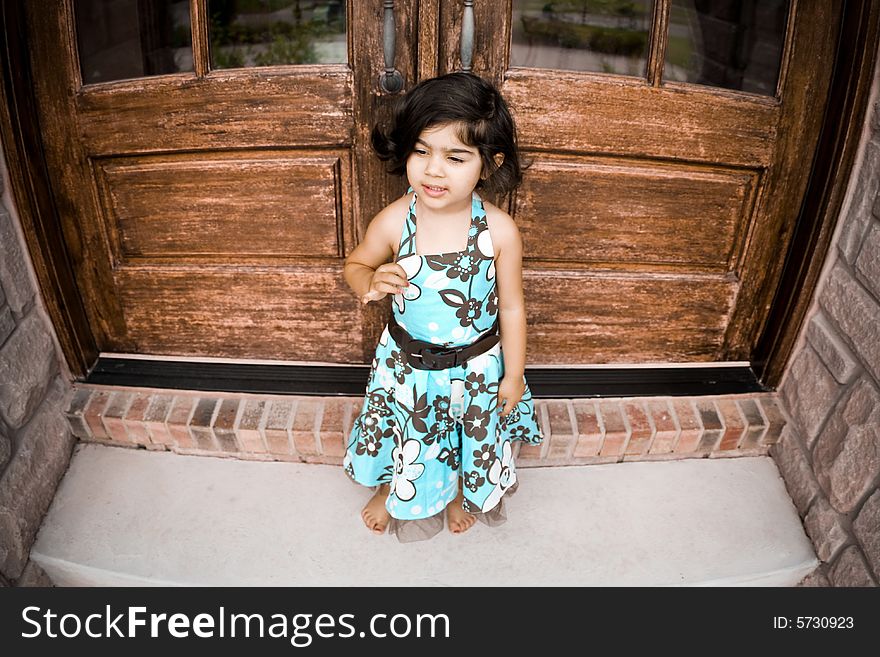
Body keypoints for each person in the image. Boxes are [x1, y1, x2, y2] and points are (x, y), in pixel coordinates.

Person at [342, 72, 543, 542]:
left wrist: (513, 375)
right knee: (404, 433)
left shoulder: (498, 231)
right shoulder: (395, 220)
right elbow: (356, 263)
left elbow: (512, 307)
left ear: (488, 165)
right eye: (421, 151)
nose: (434, 170)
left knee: (465, 438)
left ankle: (457, 493)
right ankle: (394, 488)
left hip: (476, 368)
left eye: (455, 157)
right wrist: (369, 280)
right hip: (407, 367)